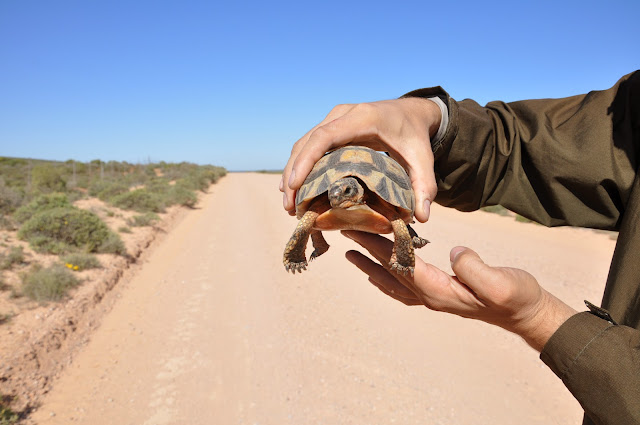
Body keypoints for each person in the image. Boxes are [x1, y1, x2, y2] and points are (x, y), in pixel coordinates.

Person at [280, 71, 640, 425]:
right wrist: (433, 119)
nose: (341, 196)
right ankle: (313, 246)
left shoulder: (373, 198)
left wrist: (538, 318)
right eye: (336, 193)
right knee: (312, 220)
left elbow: (393, 215)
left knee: (397, 223)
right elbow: (529, 144)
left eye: (347, 191)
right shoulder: (629, 108)